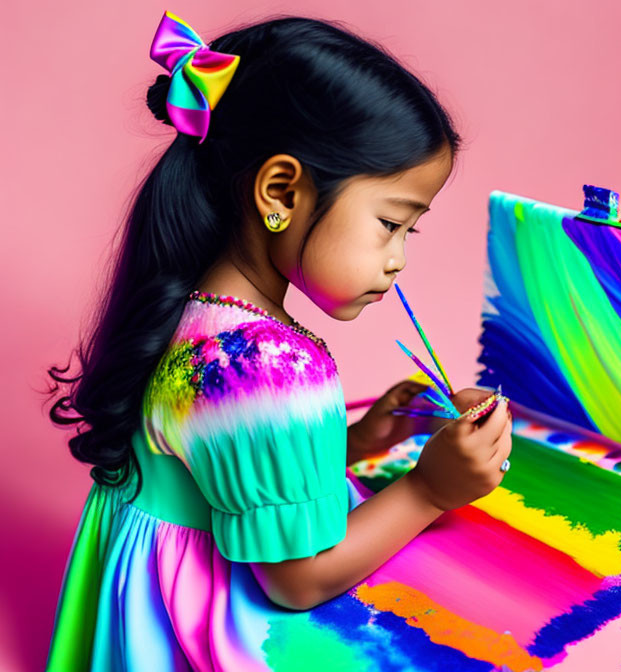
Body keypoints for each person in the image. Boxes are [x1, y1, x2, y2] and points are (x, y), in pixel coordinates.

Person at [43, 10, 512, 670]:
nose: (399, 259)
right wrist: (429, 489)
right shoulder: (266, 365)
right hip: (209, 620)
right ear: (281, 191)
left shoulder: (189, 310)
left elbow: (220, 469)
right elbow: (296, 580)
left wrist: (349, 443)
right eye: (390, 223)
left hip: (142, 602)